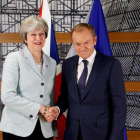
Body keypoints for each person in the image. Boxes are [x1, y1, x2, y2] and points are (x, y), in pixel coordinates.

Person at [49, 23, 127, 140]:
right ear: (73, 44)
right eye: (78, 44)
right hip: (73, 133)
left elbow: (119, 106)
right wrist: (57, 109)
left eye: (86, 43)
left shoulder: (111, 65)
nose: (82, 48)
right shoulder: (68, 64)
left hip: (101, 135)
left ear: (94, 40)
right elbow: (65, 97)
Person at [0, 16, 57, 140]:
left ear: (46, 36)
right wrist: (40, 108)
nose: (38, 38)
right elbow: (7, 96)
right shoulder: (14, 58)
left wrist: (51, 114)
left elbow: (49, 97)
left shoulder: (52, 63)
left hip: (44, 129)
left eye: (41, 34)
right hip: (17, 129)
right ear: (25, 38)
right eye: (33, 34)